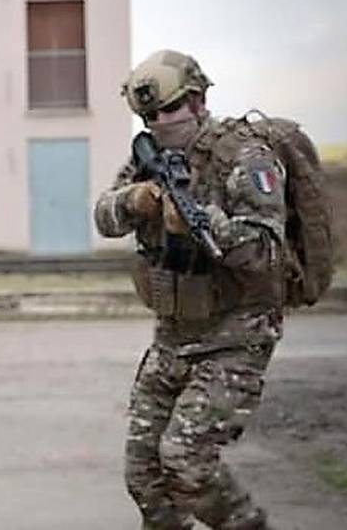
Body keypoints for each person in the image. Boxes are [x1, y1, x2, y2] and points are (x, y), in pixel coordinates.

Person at [94, 50, 290, 530]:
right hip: (172, 339)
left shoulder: (245, 158)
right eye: (149, 115)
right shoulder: (149, 160)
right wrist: (136, 200)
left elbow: (267, 253)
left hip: (235, 339)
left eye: (169, 110)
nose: (160, 122)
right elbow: (104, 217)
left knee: (185, 463)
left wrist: (207, 225)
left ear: (198, 101)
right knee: (145, 477)